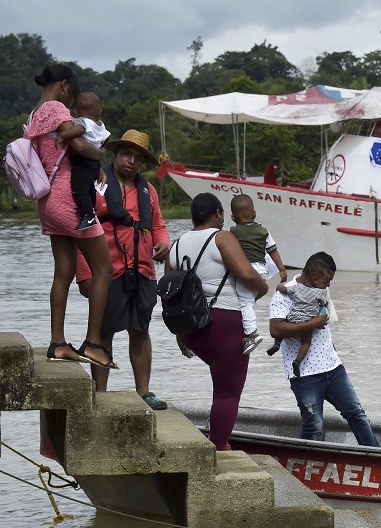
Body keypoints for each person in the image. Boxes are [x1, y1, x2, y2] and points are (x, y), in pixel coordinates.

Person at [28, 64, 117, 371]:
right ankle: (93, 343)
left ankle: (58, 343)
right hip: (70, 201)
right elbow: (79, 144)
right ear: (65, 86)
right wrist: (102, 155)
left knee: (63, 272)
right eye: (72, 96)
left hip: (48, 200)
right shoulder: (55, 108)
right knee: (104, 269)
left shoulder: (34, 113)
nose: (71, 105)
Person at [76, 129, 170, 409]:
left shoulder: (148, 190)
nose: (131, 161)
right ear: (116, 154)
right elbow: (81, 226)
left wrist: (163, 243)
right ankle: (100, 395)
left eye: (138, 157)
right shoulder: (96, 184)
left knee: (140, 330)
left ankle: (144, 392)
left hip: (142, 271)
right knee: (103, 331)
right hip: (106, 270)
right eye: (127, 153)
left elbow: (158, 226)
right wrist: (84, 274)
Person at [170, 193, 268, 450]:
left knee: (221, 388)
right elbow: (247, 273)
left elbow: (171, 293)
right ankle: (217, 450)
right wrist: (263, 288)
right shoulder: (222, 237)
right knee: (228, 394)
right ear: (218, 215)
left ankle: (219, 442)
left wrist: (181, 335)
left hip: (192, 328)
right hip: (224, 324)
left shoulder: (176, 244)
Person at [269, 251, 379, 446]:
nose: (328, 286)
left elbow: (326, 326)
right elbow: (276, 329)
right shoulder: (285, 293)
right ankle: (305, 468)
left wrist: (334, 352)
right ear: (315, 277)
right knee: (314, 425)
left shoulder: (320, 288)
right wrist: (312, 324)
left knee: (357, 414)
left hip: (333, 367)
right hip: (304, 374)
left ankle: (378, 458)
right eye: (327, 281)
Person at [228, 194, 286, 354]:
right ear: (254, 214)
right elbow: (273, 250)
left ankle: (251, 334)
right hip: (262, 271)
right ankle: (249, 320)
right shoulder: (263, 230)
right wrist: (282, 269)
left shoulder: (233, 232)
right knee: (250, 299)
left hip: (246, 271)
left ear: (233, 217)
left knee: (245, 301)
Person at [57, 91, 109, 231]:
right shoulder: (101, 126)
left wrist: (63, 135)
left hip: (83, 162)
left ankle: (88, 215)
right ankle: (92, 210)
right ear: (99, 112)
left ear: (76, 111)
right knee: (89, 188)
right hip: (95, 165)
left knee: (79, 188)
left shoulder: (82, 121)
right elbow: (104, 141)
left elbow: (79, 130)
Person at [267, 265, 330, 377]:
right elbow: (324, 303)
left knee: (284, 322)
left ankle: (277, 344)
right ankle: (297, 362)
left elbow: (284, 289)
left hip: (294, 316)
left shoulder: (297, 287)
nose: (327, 285)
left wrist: (279, 286)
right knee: (306, 342)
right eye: (325, 283)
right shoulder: (319, 292)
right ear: (315, 280)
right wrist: (324, 304)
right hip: (306, 320)